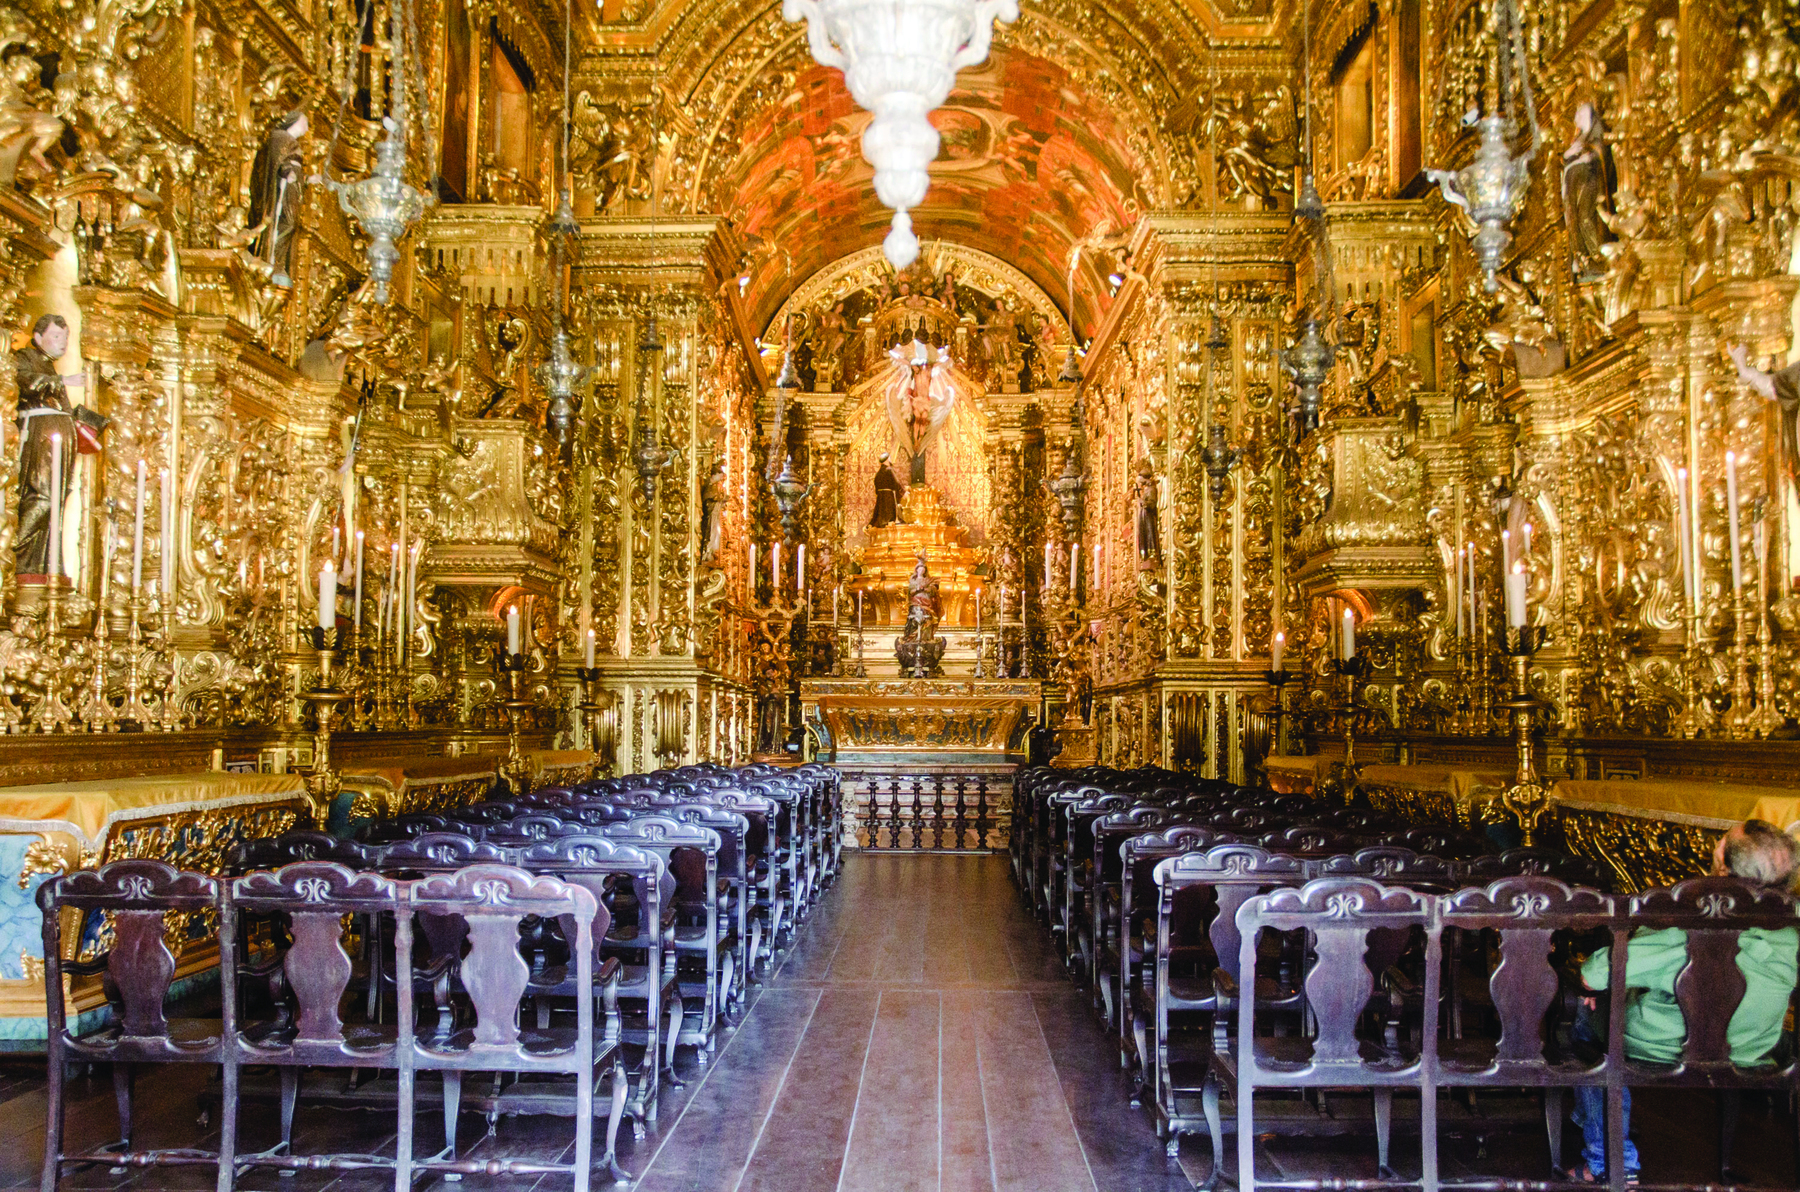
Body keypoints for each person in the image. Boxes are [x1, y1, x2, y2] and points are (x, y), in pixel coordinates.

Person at [1572, 820, 1800, 1185]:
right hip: (1756, 1046)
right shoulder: (1793, 929)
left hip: (1667, 1045)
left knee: (1588, 1025)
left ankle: (1609, 1160)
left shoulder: (1685, 924)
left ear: (1724, 868)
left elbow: (1594, 974)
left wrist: (1595, 989)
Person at [14, 313, 83, 578]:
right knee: (41, 497)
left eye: (66, 337)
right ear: (38, 337)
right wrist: (62, 382)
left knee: (58, 499)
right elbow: (27, 382)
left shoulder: (51, 367)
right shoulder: (24, 358)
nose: (63, 343)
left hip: (57, 443)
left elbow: (60, 407)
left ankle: (45, 563)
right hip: (39, 440)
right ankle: (17, 549)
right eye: (56, 336)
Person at [871, 451, 903, 527]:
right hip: (888, 498)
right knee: (889, 518)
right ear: (887, 459)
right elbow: (896, 483)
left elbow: (876, 488)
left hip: (880, 499)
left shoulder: (878, 473)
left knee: (881, 517)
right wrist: (903, 492)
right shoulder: (889, 470)